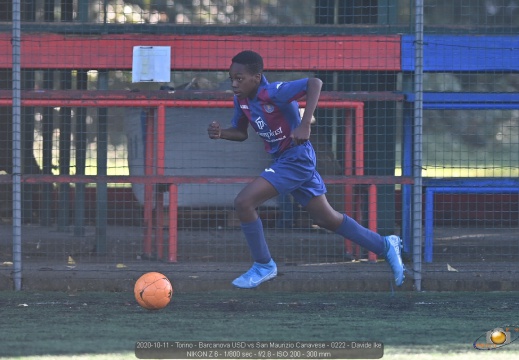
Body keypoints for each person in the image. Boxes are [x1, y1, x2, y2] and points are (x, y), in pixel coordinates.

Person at [207, 50, 405, 289]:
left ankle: (263, 265)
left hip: (296, 159)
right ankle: (385, 244)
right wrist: (221, 134)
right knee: (326, 218)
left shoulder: (273, 91)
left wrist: (304, 124)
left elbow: (314, 83)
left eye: (240, 78)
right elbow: (240, 132)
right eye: (232, 79)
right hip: (286, 160)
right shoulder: (242, 100)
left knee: (244, 203)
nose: (234, 84)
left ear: (257, 77)